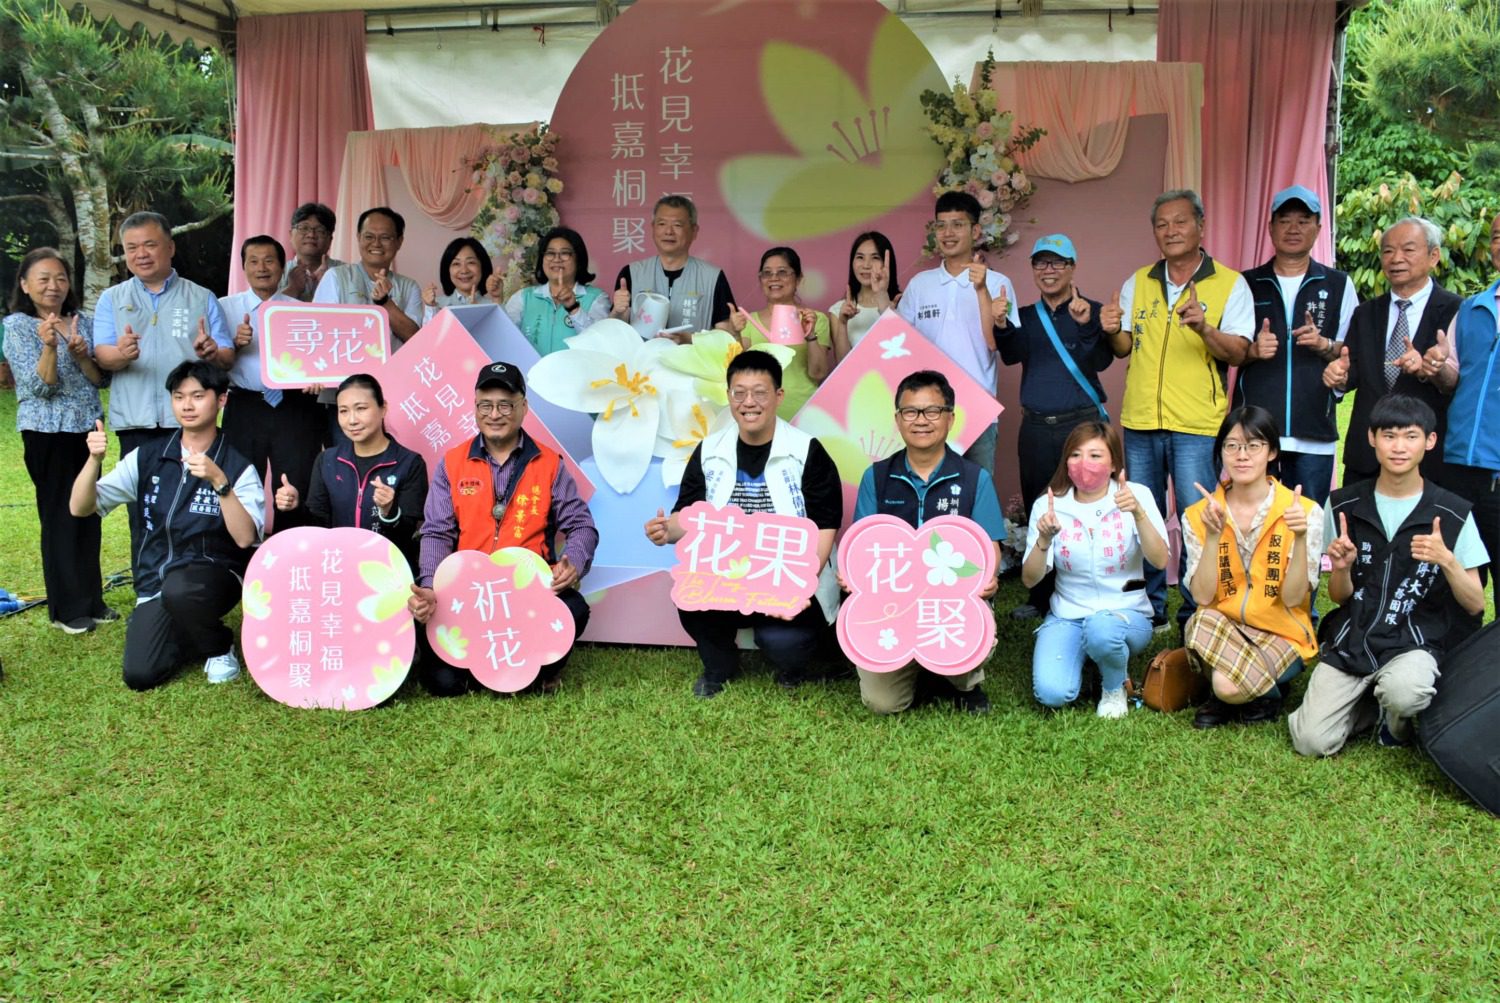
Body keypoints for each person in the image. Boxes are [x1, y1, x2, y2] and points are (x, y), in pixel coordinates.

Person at [1289, 395, 1489, 756]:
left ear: (1430, 441)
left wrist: (1447, 561)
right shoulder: (1345, 504)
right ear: (1372, 438)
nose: (1399, 447)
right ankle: (1368, 706)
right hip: (1356, 636)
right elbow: (1340, 597)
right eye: (1389, 435)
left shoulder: (1452, 512)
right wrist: (1343, 568)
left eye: (1411, 436)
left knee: (1406, 693)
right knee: (1311, 742)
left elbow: (1475, 603)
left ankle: (1395, 721)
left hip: (1415, 640)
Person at [644, 350, 842, 699]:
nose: (749, 402)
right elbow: (688, 517)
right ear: (728, 396)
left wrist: (797, 584)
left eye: (760, 393)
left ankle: (795, 664)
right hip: (728, 575)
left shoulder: (807, 451)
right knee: (692, 596)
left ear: (778, 396)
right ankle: (719, 667)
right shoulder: (709, 451)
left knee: (782, 642)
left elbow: (825, 525)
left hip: (785, 574)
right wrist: (666, 530)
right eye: (739, 392)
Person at [69, 361, 264, 690]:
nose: (187, 405)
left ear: (221, 400)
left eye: (198, 396)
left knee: (181, 590)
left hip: (214, 575)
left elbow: (245, 538)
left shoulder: (237, 464)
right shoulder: (148, 457)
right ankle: (185, 630)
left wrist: (220, 482)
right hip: (155, 581)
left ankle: (218, 646)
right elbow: (80, 507)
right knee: (140, 674)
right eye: (179, 396)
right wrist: (94, 461)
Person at [407, 362, 597, 696]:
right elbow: (437, 532)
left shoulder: (549, 463)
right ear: (475, 408)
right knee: (443, 684)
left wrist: (574, 562)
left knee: (574, 610)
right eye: (486, 405)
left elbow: (581, 525)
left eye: (506, 405)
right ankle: (503, 669)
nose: (495, 414)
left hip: (528, 592)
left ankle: (533, 670)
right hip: (469, 595)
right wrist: (430, 586)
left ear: (523, 407)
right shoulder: (452, 463)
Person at [1117, 189, 1256, 633]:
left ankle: (1198, 608)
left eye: (1180, 222)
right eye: (1162, 224)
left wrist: (1204, 328)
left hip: (1198, 423)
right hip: (1140, 419)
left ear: (1201, 226)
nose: (1171, 231)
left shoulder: (1230, 283)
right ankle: (1149, 606)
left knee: (1199, 518)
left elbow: (1239, 352)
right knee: (1143, 515)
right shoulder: (1138, 281)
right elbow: (1123, 346)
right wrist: (1108, 329)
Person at [849, 370, 1004, 715]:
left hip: (951, 604)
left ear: (950, 418)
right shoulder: (877, 476)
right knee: (882, 703)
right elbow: (861, 546)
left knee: (970, 640)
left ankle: (964, 683)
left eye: (932, 411)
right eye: (911, 411)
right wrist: (853, 576)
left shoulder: (973, 478)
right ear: (898, 420)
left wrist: (987, 578)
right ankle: (923, 673)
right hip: (891, 606)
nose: (921, 420)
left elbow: (989, 549)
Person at [998, 233, 1129, 620]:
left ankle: (1092, 590)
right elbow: (1010, 355)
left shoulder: (1093, 310)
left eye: (1057, 262)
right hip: (1037, 428)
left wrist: (1088, 326)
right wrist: (1001, 323)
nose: (1049, 270)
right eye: (1041, 262)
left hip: (1081, 426)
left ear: (1072, 268)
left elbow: (1100, 363)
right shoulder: (1026, 316)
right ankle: (1041, 598)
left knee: (1091, 505)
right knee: (1041, 506)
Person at [91, 211, 236, 559]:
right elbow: (103, 355)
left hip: (189, 422)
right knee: (142, 506)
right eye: (131, 248)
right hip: (136, 421)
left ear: (170, 247)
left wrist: (212, 351)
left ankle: (193, 573)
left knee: (194, 504)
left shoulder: (200, 296)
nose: (141, 254)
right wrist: (121, 354)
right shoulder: (112, 298)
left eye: (149, 245)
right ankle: (148, 580)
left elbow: (227, 355)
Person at [1179, 406, 1323, 728]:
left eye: (1253, 445)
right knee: (1198, 622)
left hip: (1281, 631)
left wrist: (1300, 538)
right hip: (1223, 626)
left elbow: (1293, 599)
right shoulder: (1198, 514)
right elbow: (1201, 597)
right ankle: (1262, 692)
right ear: (1221, 452)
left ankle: (1232, 694)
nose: (1242, 455)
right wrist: (1213, 537)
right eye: (1232, 446)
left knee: (1226, 686)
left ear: (1271, 452)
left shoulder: (1304, 512)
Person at [1024, 421, 1168, 717]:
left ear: (1114, 463)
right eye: (1075, 455)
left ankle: (1114, 687)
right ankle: (1096, 655)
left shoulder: (1136, 495)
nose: (1084, 464)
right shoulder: (1049, 505)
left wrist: (1138, 514)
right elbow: (1029, 579)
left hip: (1125, 613)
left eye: (1095, 455)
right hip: (1069, 615)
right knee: (1052, 693)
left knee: (1102, 628)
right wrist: (1043, 539)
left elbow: (1160, 560)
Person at [5, 248, 113, 634]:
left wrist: (82, 355)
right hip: (45, 433)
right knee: (58, 517)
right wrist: (49, 346)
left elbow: (101, 379)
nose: (53, 286)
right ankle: (66, 609)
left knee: (88, 512)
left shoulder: (83, 320)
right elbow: (40, 387)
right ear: (25, 285)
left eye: (61, 278)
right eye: (44, 278)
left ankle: (93, 600)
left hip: (87, 430)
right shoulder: (17, 326)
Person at [1234, 185, 1358, 505]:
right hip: (1255, 430)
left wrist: (1323, 344)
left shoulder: (1339, 284)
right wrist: (1252, 350)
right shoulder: (1246, 283)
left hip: (1314, 429)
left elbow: (1350, 350)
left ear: (1318, 228)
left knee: (1307, 522)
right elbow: (1228, 349)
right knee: (1253, 520)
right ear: (1270, 227)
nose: (1293, 228)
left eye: (1303, 221)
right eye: (1285, 220)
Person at [1322, 216, 1462, 486]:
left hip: (1429, 458)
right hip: (1367, 454)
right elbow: (1352, 373)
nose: (1396, 258)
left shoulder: (1457, 310)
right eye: (1388, 251)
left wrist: (1432, 369)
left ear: (1434, 256)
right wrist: (1338, 376)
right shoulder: (1366, 312)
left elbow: (1459, 383)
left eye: (1408, 249)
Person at [897, 191, 1019, 475]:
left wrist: (981, 290)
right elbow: (899, 344)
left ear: (975, 231)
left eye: (957, 224)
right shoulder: (919, 284)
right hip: (926, 411)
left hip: (978, 411)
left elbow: (995, 344)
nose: (948, 233)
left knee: (976, 490)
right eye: (941, 225)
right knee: (926, 489)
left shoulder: (998, 283)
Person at [219, 235, 326, 533]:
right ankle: (241, 551)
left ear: (282, 267)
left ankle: (291, 549)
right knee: (240, 481)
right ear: (243, 267)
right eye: (253, 261)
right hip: (245, 404)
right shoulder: (224, 308)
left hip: (294, 405)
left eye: (269, 261)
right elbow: (212, 361)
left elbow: (316, 359)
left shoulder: (302, 310)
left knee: (295, 484)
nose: (262, 268)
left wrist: (316, 378)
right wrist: (234, 345)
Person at [273, 373, 428, 571]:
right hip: (338, 567)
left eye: (361, 408)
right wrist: (296, 506)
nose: (352, 420)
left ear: (383, 409)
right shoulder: (327, 461)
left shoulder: (410, 463)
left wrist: (389, 511)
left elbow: (408, 535)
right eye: (343, 411)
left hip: (388, 572)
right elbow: (317, 527)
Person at [1436, 212, 1500, 597]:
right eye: (1497, 236)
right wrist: (1438, 366)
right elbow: (1452, 377)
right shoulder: (1472, 308)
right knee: (1458, 579)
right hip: (1458, 465)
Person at [721, 246, 833, 419]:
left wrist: (810, 334)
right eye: (767, 273)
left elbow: (818, 373)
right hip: (758, 412)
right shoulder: (748, 321)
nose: (774, 278)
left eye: (782, 272)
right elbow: (740, 374)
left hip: (803, 412)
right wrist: (735, 333)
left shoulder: (815, 319)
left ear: (798, 278)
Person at [612, 195, 735, 338]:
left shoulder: (712, 277)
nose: (668, 231)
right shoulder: (631, 273)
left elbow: (725, 336)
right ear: (653, 228)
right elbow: (615, 332)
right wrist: (617, 312)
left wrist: (690, 340)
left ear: (694, 231)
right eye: (662, 224)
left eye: (677, 225)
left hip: (693, 353)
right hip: (642, 353)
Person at [313, 207, 423, 345]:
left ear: (399, 242)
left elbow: (416, 339)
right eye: (369, 236)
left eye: (385, 237)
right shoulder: (336, 277)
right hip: (347, 357)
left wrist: (385, 303)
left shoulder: (410, 286)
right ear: (359, 238)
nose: (376, 243)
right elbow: (319, 330)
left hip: (395, 360)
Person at [502, 227, 610, 355]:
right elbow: (504, 338)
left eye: (565, 253)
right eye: (550, 253)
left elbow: (599, 344)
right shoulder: (523, 298)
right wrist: (497, 300)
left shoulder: (596, 298)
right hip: (531, 368)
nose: (557, 259)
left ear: (579, 259)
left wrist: (574, 308)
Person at [829, 231, 901, 358]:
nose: (866, 265)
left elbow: (905, 352)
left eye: (875, 257)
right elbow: (842, 363)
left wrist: (884, 302)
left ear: (887, 263)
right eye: (860, 257)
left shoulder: (902, 303)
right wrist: (843, 323)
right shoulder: (839, 310)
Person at [279, 203, 343, 302]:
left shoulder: (345, 273)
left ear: (330, 239)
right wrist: (292, 289)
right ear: (291, 235)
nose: (311, 235)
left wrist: (329, 284)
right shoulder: (277, 272)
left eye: (320, 230)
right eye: (304, 228)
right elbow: (263, 309)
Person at [422, 236, 495, 323]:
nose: (464, 270)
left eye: (471, 262)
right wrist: (431, 308)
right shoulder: (437, 304)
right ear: (447, 270)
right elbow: (430, 332)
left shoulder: (493, 306)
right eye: (456, 264)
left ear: (483, 267)